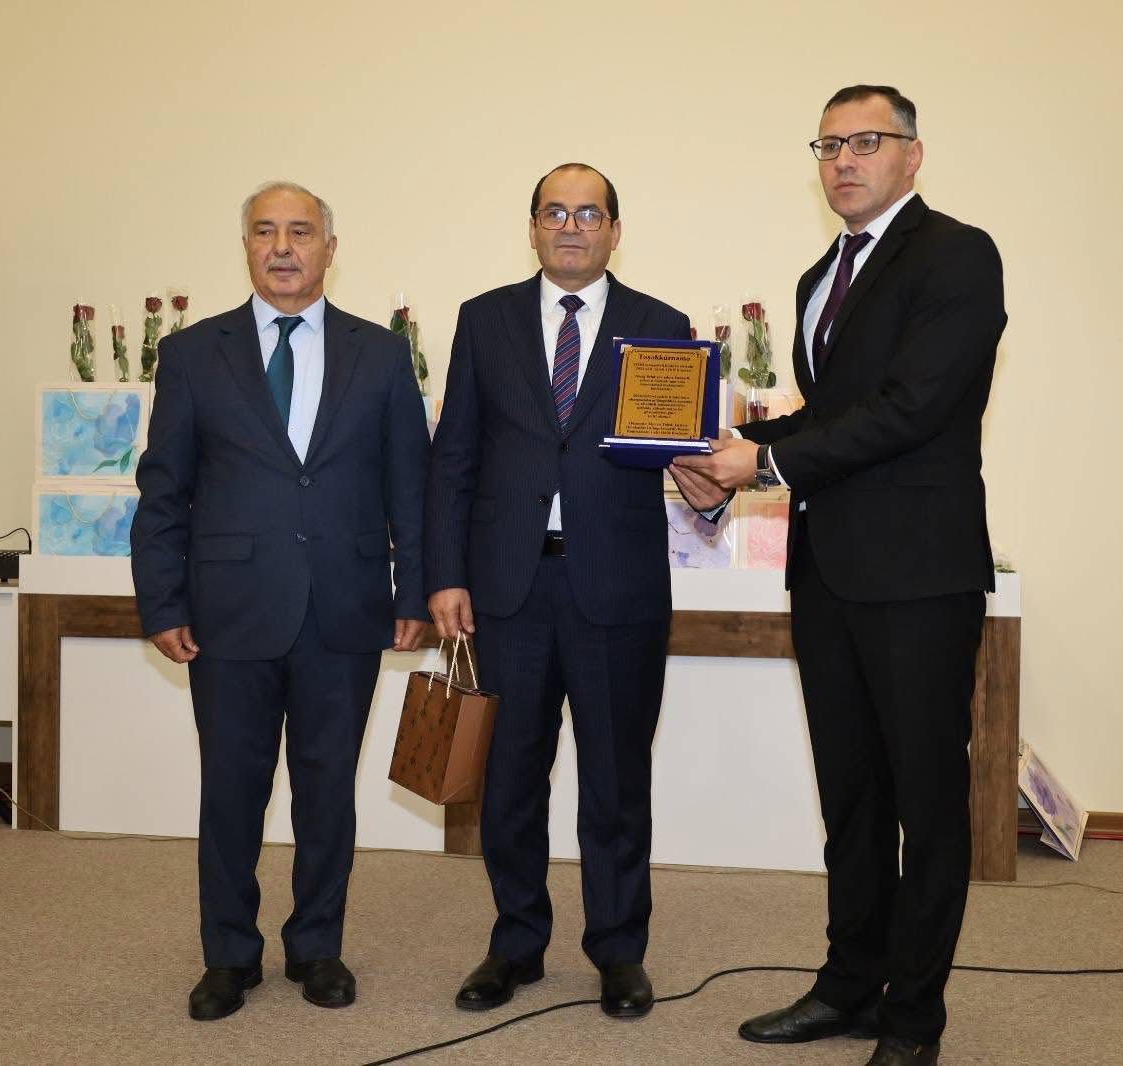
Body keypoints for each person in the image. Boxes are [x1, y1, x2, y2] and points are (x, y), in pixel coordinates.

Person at [674, 85, 1007, 1066]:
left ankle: (913, 1021)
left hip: (919, 576)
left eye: (867, 141)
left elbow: (911, 407)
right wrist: (728, 446)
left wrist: (763, 464)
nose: (844, 160)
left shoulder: (957, 255)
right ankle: (848, 986)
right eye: (828, 145)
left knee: (926, 806)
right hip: (827, 574)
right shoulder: (821, 274)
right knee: (852, 798)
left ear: (913, 154)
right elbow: (832, 414)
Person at [130, 180, 429, 1021]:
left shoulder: (382, 354)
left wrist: (413, 588)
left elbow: (411, 484)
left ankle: (316, 947)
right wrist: (162, 602)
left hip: (347, 606)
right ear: (246, 248)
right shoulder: (193, 353)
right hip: (228, 610)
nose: (283, 247)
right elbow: (164, 490)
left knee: (328, 791)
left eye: (300, 231)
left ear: (330, 248)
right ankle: (229, 955)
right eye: (265, 231)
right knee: (231, 791)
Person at [426, 162, 700, 1020]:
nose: (572, 227)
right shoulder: (484, 320)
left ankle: (619, 952)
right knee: (510, 778)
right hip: (508, 587)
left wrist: (708, 466)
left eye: (589, 214)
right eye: (556, 212)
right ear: (534, 228)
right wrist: (444, 574)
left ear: (614, 230)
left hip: (617, 588)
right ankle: (516, 943)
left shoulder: (663, 327)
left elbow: (680, 451)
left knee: (615, 782)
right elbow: (454, 456)